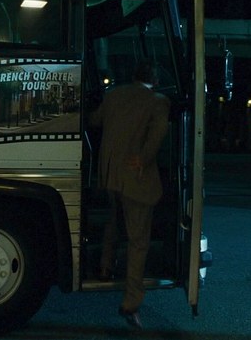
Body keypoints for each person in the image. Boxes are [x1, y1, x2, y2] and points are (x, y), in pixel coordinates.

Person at [89, 60, 170, 329]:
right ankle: (131, 302)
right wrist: (143, 160)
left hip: (111, 175)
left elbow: (94, 120)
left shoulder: (114, 95)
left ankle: (105, 266)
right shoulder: (158, 101)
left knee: (114, 219)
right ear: (155, 79)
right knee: (138, 241)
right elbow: (157, 137)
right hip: (135, 178)